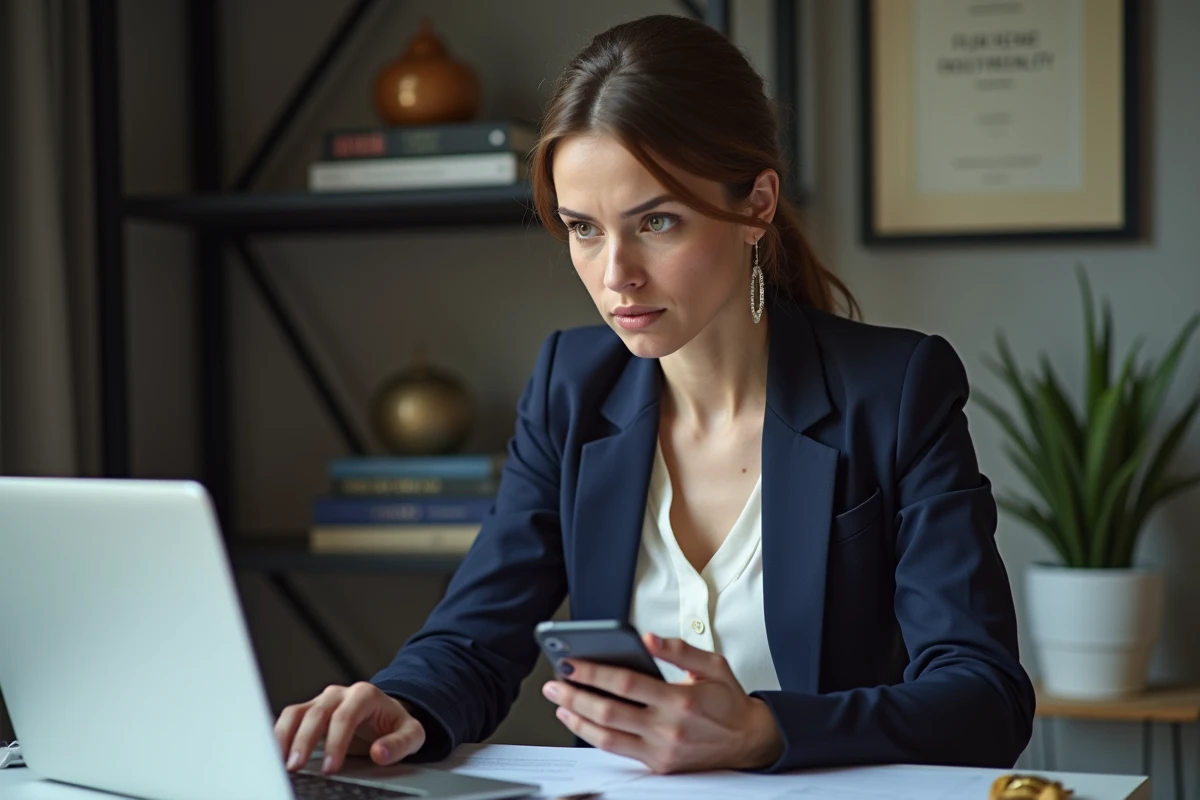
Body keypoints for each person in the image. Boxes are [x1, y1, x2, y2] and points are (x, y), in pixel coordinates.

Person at [274, 14, 1035, 777]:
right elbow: (474, 635)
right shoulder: (571, 388)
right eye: (583, 228)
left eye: (657, 222)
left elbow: (984, 697)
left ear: (758, 204)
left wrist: (767, 731)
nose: (616, 275)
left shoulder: (896, 392)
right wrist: (401, 704)